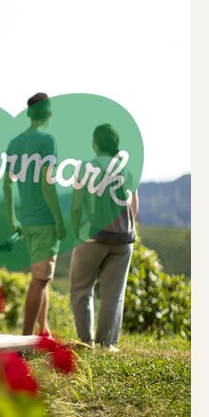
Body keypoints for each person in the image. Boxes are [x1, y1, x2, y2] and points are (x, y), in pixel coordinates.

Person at [69, 124, 139, 352]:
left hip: (92, 238)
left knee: (81, 289)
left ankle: (85, 341)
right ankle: (106, 344)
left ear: (95, 143)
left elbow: (77, 206)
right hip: (123, 238)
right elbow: (134, 207)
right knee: (113, 294)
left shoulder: (85, 168)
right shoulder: (126, 169)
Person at [4, 93, 66, 337]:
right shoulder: (48, 141)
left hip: (26, 221)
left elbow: (7, 185)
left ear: (29, 113)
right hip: (44, 221)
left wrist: (12, 220)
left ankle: (44, 331)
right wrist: (59, 220)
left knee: (42, 277)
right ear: (49, 113)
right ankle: (27, 339)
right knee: (39, 280)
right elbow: (47, 183)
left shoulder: (14, 143)